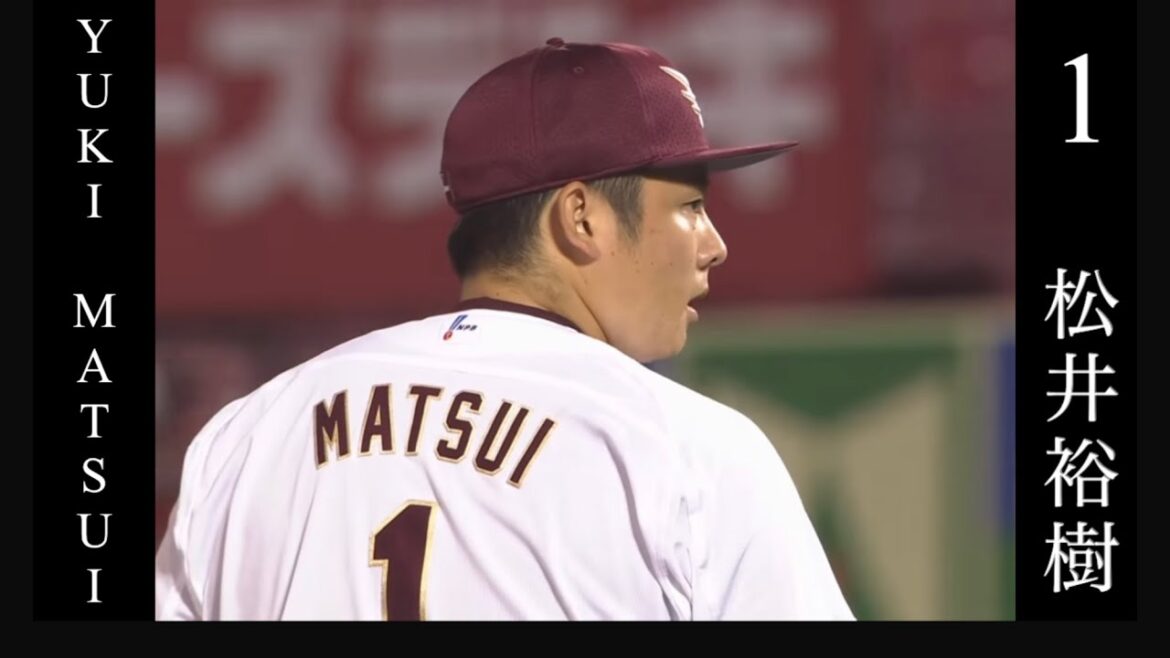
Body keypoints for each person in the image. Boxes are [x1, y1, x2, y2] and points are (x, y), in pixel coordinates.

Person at [155, 38, 854, 621]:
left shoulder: (248, 435)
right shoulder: (685, 447)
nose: (714, 246)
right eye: (690, 207)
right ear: (581, 218)